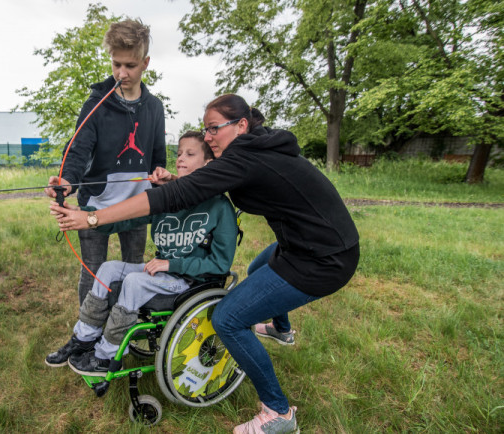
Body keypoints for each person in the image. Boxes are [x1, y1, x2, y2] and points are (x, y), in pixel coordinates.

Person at [51, 94, 360, 433]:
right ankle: (281, 329)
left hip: (324, 257)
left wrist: (92, 218)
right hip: (301, 242)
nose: (208, 136)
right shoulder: (255, 149)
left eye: (214, 128)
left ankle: (279, 413)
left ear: (241, 125)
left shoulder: (247, 157)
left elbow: (181, 195)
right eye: (205, 129)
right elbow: (192, 186)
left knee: (229, 318)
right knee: (259, 271)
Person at [45, 132, 238, 375]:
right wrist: (82, 214)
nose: (180, 159)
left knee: (135, 281)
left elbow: (220, 264)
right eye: (178, 154)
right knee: (108, 269)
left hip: (190, 281)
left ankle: (107, 355)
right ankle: (84, 338)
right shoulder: (167, 198)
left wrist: (171, 264)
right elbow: (123, 220)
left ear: (208, 164)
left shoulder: (219, 207)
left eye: (190, 154)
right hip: (165, 274)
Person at [44, 19, 166, 308]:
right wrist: (67, 181)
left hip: (137, 206)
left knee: (132, 268)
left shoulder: (155, 107)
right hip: (95, 205)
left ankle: (121, 322)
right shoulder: (96, 103)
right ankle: (86, 332)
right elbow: (77, 149)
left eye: (130, 65)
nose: (121, 73)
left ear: (145, 62)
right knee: (93, 270)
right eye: (116, 64)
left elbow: (158, 156)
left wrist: (160, 173)